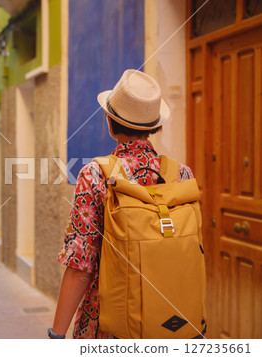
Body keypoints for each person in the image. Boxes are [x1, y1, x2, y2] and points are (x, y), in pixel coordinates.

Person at [48, 69, 194, 339]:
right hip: (170, 322)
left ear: (110, 121)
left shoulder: (95, 176)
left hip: (111, 325)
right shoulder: (181, 175)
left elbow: (81, 267)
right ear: (154, 126)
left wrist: (57, 334)